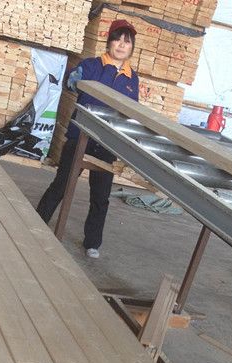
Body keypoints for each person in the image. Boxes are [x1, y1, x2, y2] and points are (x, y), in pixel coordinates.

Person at [36, 19, 139, 258]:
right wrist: (80, 80)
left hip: (107, 143)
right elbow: (72, 82)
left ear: (132, 47)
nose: (121, 45)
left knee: (100, 196)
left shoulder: (131, 78)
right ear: (109, 42)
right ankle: (37, 221)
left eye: (127, 42)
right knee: (61, 185)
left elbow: (130, 110)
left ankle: (92, 243)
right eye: (117, 40)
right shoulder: (92, 65)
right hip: (80, 135)